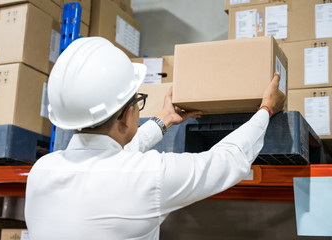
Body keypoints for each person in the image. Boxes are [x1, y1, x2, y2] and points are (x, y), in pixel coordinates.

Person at [25, 37, 286, 240]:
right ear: (127, 115)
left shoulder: (42, 171)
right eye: (138, 102)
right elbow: (226, 161)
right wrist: (266, 110)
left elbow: (114, 160)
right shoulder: (151, 175)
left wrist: (163, 120)